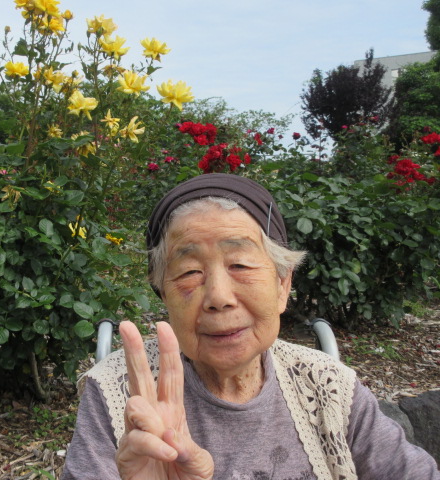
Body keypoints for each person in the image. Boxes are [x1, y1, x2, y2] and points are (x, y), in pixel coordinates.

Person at [62, 173, 440, 479]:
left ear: (282, 285)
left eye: (240, 265)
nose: (218, 296)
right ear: (164, 296)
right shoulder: (117, 393)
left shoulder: (328, 384)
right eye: (190, 271)